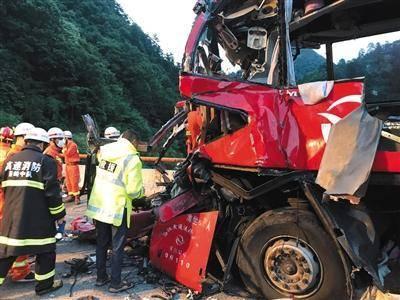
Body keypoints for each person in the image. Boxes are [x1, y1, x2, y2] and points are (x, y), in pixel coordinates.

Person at [0, 127, 65, 295]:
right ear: (43, 144)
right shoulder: (45, 161)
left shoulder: (10, 160)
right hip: (38, 220)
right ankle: (44, 287)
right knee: (45, 251)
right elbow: (52, 194)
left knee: (7, 252)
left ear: (26, 141)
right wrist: (59, 215)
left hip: (11, 217)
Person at [86, 130, 144, 293]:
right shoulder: (132, 159)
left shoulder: (105, 150)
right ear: (134, 142)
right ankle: (116, 283)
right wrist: (142, 193)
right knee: (118, 247)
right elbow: (134, 191)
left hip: (99, 205)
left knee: (101, 244)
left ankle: (101, 277)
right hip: (117, 209)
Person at [0, 125, 35, 283]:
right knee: (17, 238)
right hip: (8, 203)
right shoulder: (15, 156)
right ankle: (20, 272)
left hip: (4, 202)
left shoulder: (6, 153)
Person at [63, 131, 81, 205]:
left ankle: (77, 197)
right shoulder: (67, 145)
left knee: (74, 182)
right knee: (68, 181)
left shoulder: (72, 145)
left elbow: (67, 153)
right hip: (68, 165)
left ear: (66, 138)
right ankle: (71, 195)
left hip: (73, 166)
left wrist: (63, 148)